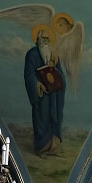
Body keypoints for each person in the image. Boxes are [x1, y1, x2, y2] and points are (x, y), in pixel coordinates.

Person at [24, 26, 65, 156]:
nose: (46, 41)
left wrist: (55, 70)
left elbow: (61, 75)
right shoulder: (32, 54)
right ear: (38, 40)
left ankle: (54, 148)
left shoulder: (53, 55)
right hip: (41, 95)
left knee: (54, 118)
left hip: (54, 95)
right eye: (43, 38)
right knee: (41, 118)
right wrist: (37, 85)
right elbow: (29, 74)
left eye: (47, 38)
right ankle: (42, 147)